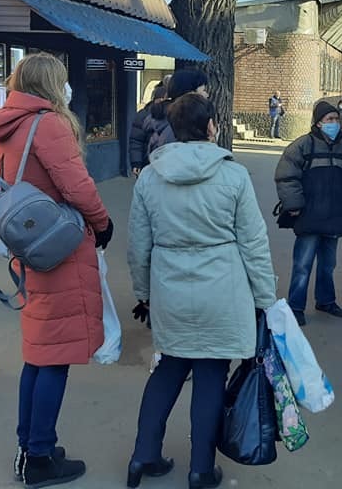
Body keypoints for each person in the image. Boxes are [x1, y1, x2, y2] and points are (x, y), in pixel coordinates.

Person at [127, 92, 276, 489]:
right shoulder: (233, 175)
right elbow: (254, 244)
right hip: (222, 292)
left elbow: (138, 244)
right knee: (210, 374)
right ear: (212, 125)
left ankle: (143, 456)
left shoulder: (152, 177)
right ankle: (201, 469)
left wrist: (144, 293)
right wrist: (265, 299)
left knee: (168, 369)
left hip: (170, 289)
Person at [0, 53, 114, 488]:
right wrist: (103, 223)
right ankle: (38, 457)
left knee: (39, 355)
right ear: (52, 85)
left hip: (29, 244)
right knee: (55, 357)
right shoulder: (49, 123)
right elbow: (77, 185)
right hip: (58, 247)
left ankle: (31, 445)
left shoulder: (8, 123)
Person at [274, 99, 342, 326]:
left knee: (328, 264)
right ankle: (295, 307)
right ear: (318, 122)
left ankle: (326, 300)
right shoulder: (303, 146)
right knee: (302, 264)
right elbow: (287, 176)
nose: (334, 123)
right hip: (309, 217)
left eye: (336, 119)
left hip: (334, 217)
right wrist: (293, 204)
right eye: (329, 119)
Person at [140, 68, 209, 159]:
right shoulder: (178, 125)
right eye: (203, 90)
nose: (207, 95)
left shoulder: (165, 117)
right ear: (190, 94)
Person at [129, 74, 171, 177]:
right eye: (160, 101)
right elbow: (136, 140)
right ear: (155, 100)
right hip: (147, 162)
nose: (163, 104)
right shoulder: (144, 115)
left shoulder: (173, 115)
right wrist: (136, 162)